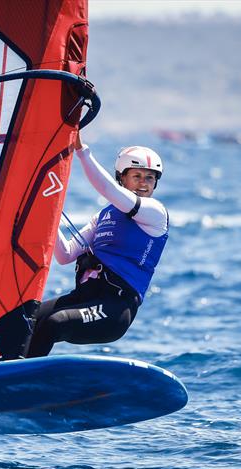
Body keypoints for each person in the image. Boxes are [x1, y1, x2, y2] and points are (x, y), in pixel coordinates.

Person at [26, 138, 169, 357]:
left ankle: (25, 381)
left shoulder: (155, 213)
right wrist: (44, 210)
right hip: (83, 298)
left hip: (115, 308)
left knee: (54, 323)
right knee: (24, 319)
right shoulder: (103, 217)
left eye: (149, 178)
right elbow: (65, 255)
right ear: (122, 178)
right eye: (136, 176)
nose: (143, 183)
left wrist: (82, 152)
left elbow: (107, 189)